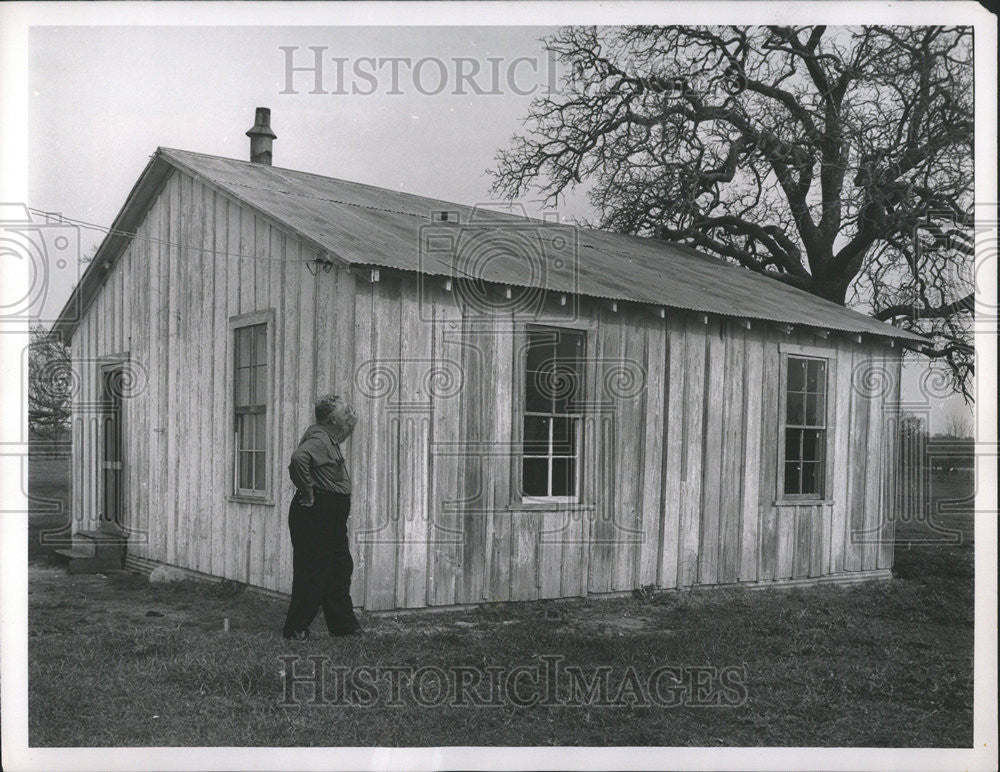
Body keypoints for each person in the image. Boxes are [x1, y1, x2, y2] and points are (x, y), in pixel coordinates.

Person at [282, 393, 361, 641]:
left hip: (328, 515)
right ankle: (295, 630)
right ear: (331, 419)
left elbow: (342, 432)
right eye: (344, 413)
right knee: (313, 571)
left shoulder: (328, 436)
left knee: (338, 568)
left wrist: (351, 423)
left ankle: (344, 628)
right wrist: (307, 492)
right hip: (318, 513)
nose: (349, 415)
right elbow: (298, 459)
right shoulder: (318, 438)